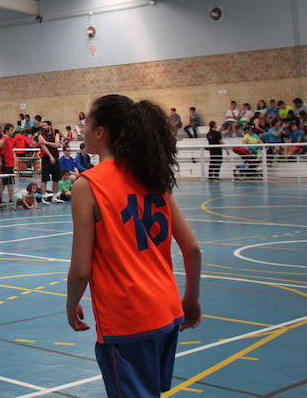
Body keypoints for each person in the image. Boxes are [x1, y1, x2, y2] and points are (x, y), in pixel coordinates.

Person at [66, 94, 202, 398]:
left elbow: (80, 269)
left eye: (86, 122)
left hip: (127, 319)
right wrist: (191, 299)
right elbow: (192, 248)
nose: (82, 129)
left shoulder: (88, 185)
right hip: (167, 311)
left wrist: (70, 303)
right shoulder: (152, 176)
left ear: (100, 132)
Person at [38, 120, 62, 202]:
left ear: (50, 126)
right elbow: (43, 147)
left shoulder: (56, 134)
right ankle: (43, 197)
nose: (43, 127)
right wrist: (51, 157)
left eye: (45, 125)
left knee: (56, 179)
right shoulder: (41, 135)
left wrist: (46, 142)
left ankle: (54, 197)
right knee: (44, 179)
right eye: (42, 126)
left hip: (55, 158)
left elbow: (57, 145)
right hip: (46, 159)